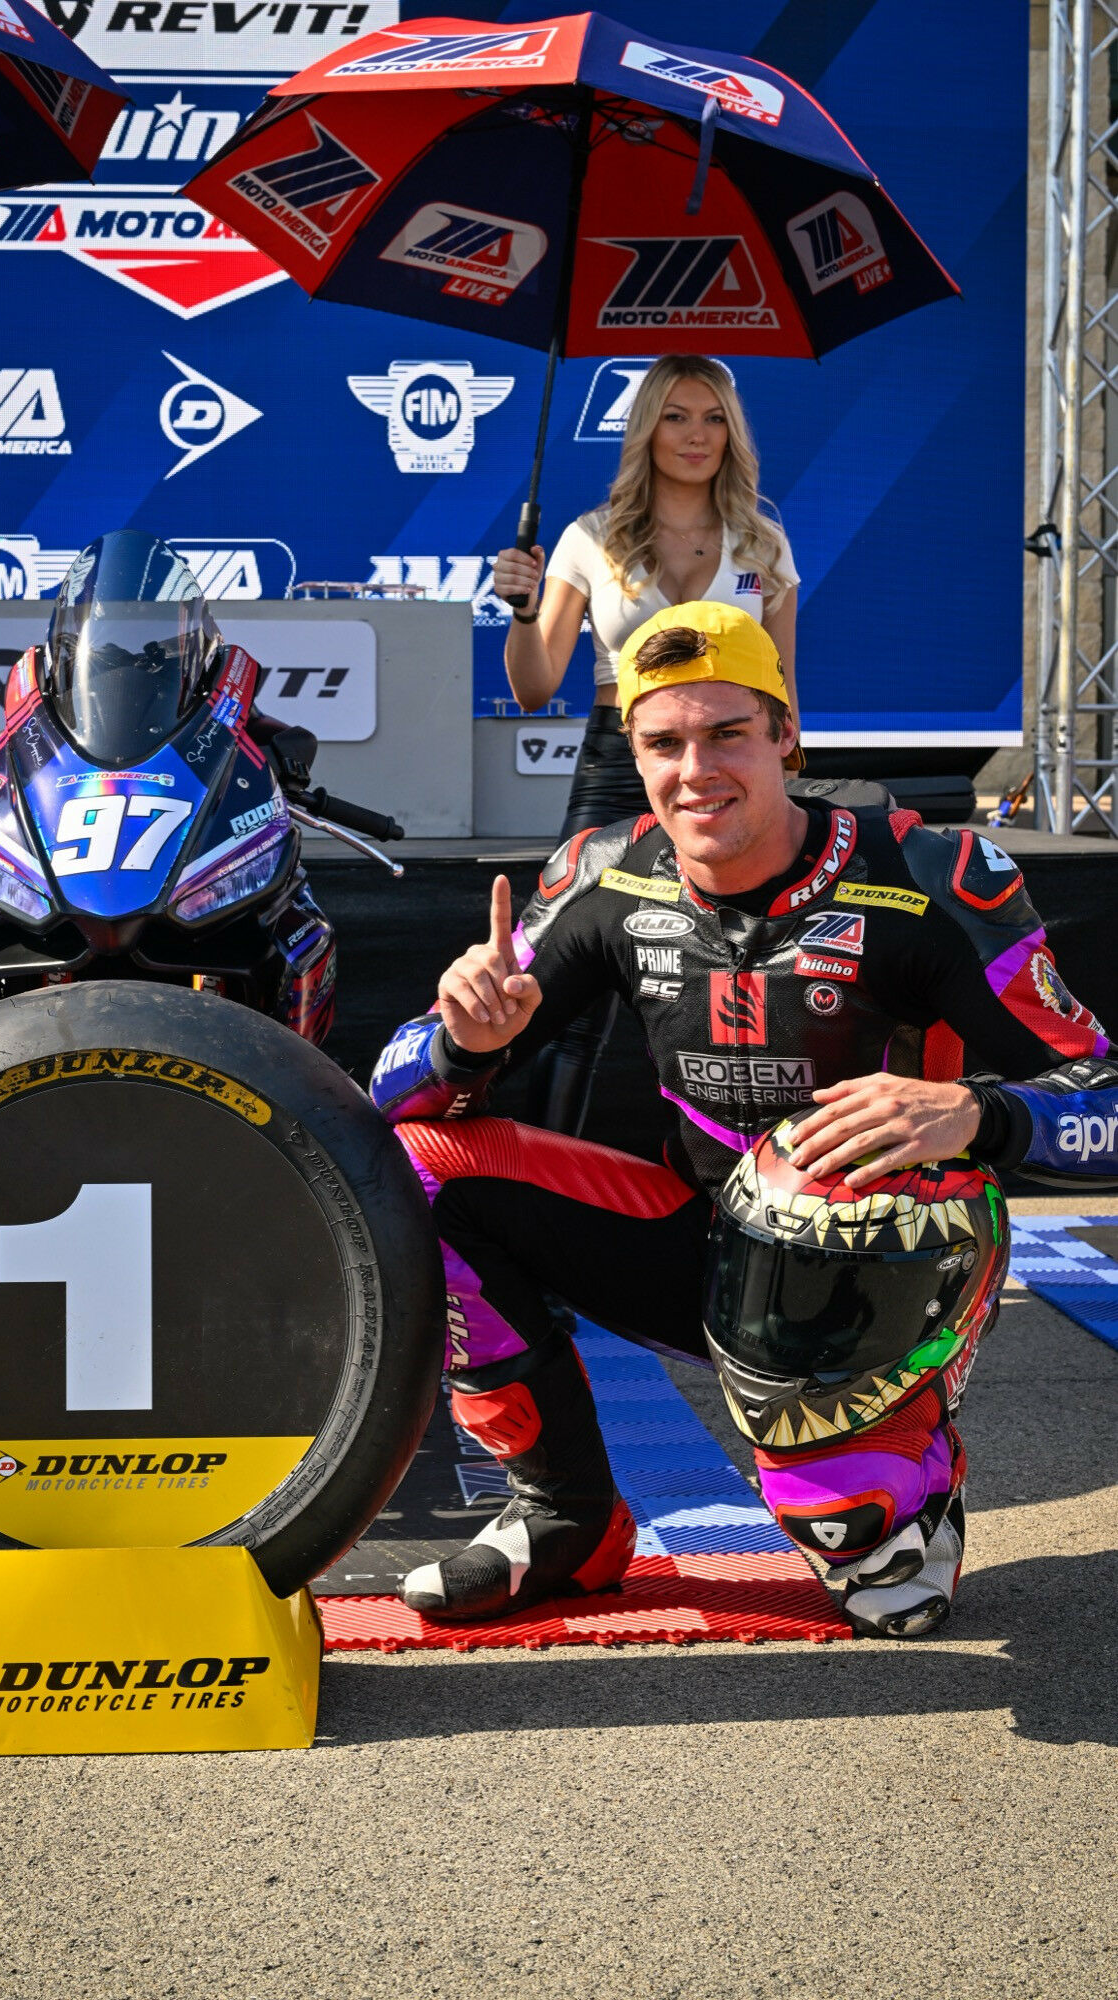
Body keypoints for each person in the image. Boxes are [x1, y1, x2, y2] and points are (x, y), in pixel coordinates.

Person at [370, 600, 1118, 1637]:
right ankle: (565, 1515)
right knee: (416, 1167)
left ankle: (901, 1479)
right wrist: (465, 1039)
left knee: (870, 1567)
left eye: (727, 733)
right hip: (701, 1237)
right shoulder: (603, 873)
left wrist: (970, 1113)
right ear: (632, 755)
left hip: (880, 1266)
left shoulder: (927, 877)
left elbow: (1108, 1101)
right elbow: (389, 1095)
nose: (696, 771)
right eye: (663, 742)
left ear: (786, 736)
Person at [492, 354, 801, 1136]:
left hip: (737, 772)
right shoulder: (588, 539)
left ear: (732, 433)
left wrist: (789, 788)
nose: (695, 435)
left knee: (758, 980)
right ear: (645, 429)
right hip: (619, 763)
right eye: (675, 416)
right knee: (565, 993)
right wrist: (522, 612)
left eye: (712, 418)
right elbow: (534, 686)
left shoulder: (762, 544)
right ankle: (545, 1191)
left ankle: (762, 1188)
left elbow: (784, 693)